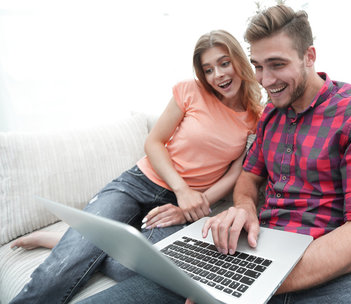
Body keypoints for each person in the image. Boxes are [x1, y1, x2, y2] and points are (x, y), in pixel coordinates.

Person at [77, 4, 351, 303]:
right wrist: (244, 208)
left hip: (336, 273)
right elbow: (247, 180)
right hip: (254, 254)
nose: (264, 79)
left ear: (309, 56)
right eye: (258, 65)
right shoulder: (271, 116)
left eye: (276, 64)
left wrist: (255, 287)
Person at [9, 29, 263, 304]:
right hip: (138, 183)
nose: (218, 75)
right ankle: (78, 247)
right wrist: (182, 190)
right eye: (209, 69)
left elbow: (236, 172)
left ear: (239, 60)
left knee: (161, 274)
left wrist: (189, 206)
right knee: (58, 272)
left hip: (180, 206)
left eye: (224, 63)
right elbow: (153, 142)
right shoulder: (190, 90)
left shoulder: (255, 118)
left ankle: (78, 245)